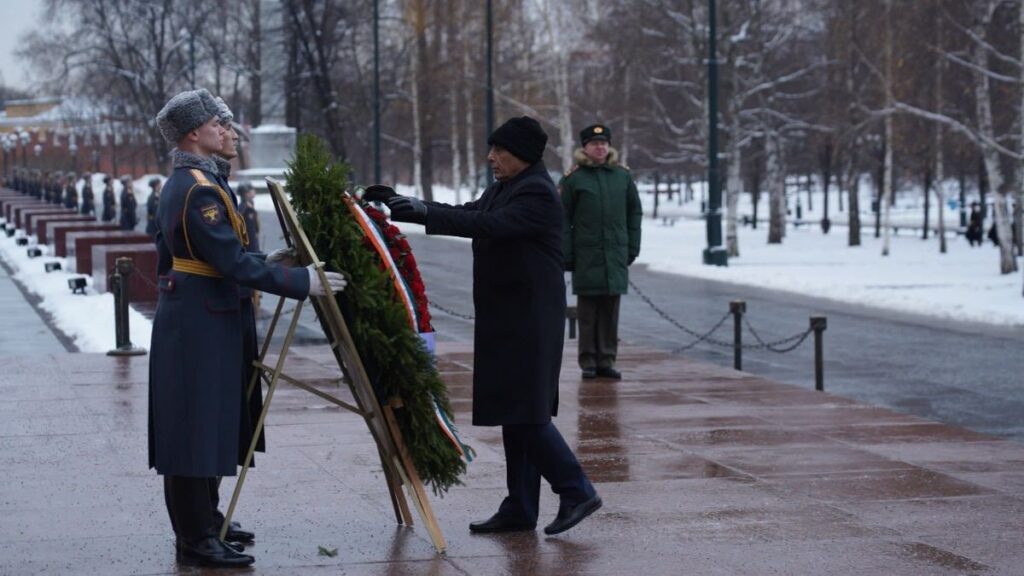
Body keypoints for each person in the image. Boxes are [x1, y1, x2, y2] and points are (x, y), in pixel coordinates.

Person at [365, 116, 602, 537]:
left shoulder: (537, 193)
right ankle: (521, 505)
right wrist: (409, 204)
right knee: (518, 411)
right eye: (492, 149)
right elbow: (468, 212)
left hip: (529, 320)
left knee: (527, 414)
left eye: (500, 151)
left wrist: (421, 212)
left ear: (524, 155)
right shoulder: (507, 187)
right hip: (511, 316)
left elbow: (486, 225)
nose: (491, 157)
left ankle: (576, 489)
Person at [149, 88, 346, 568]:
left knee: (212, 421)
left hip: (208, 316)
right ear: (194, 134)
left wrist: (266, 261)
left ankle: (208, 519)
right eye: (219, 124)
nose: (229, 131)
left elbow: (220, 255)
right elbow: (227, 261)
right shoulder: (197, 188)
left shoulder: (202, 180)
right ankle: (195, 536)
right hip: (200, 322)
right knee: (194, 428)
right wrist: (300, 281)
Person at [560, 124, 642, 380]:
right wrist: (567, 253)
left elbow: (634, 212)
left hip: (615, 254)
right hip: (587, 255)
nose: (600, 147)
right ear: (584, 147)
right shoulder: (574, 179)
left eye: (604, 143)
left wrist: (632, 246)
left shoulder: (622, 176)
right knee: (587, 313)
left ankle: (607, 359)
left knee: (610, 311)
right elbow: (562, 218)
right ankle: (588, 362)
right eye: (595, 143)